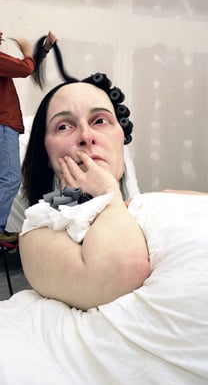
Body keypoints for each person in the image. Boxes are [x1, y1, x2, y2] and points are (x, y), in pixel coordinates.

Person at [18, 72, 149, 310]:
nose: (86, 137)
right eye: (64, 126)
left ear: (121, 137)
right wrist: (107, 195)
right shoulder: (38, 227)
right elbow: (116, 276)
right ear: (46, 152)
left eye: (100, 121)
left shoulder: (163, 202)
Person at [0, 15, 56, 242]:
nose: (0, 31)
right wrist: (28, 49)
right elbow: (23, 68)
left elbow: (24, 66)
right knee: (10, 179)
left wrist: (43, 49)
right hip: (1, 124)